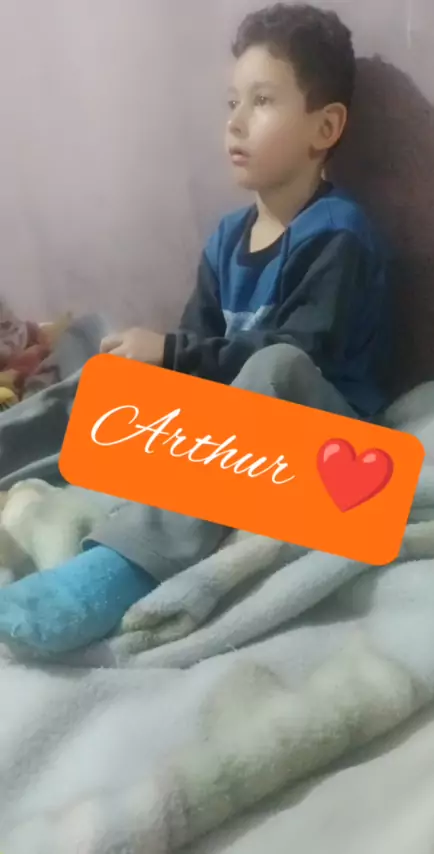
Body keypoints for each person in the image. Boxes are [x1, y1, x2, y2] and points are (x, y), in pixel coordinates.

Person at [0, 2, 391, 656]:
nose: (235, 122)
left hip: (321, 442)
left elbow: (301, 357)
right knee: (108, 380)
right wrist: (152, 371)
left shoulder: (339, 234)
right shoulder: (227, 239)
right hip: (233, 439)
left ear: (324, 127)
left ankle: (118, 571)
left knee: (274, 369)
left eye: (262, 102)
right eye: (232, 102)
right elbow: (194, 363)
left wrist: (174, 352)